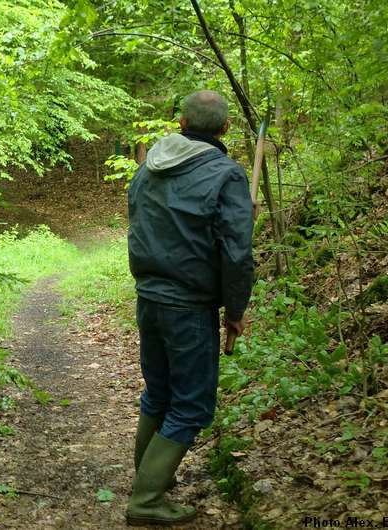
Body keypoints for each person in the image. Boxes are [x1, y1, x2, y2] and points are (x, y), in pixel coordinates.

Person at [125, 90, 254, 525]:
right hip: (189, 305)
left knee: (159, 392)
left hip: (149, 296)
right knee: (192, 403)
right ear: (225, 128)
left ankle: (149, 477)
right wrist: (235, 311)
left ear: (181, 123)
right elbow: (236, 253)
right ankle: (146, 499)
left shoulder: (148, 167)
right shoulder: (226, 174)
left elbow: (138, 218)